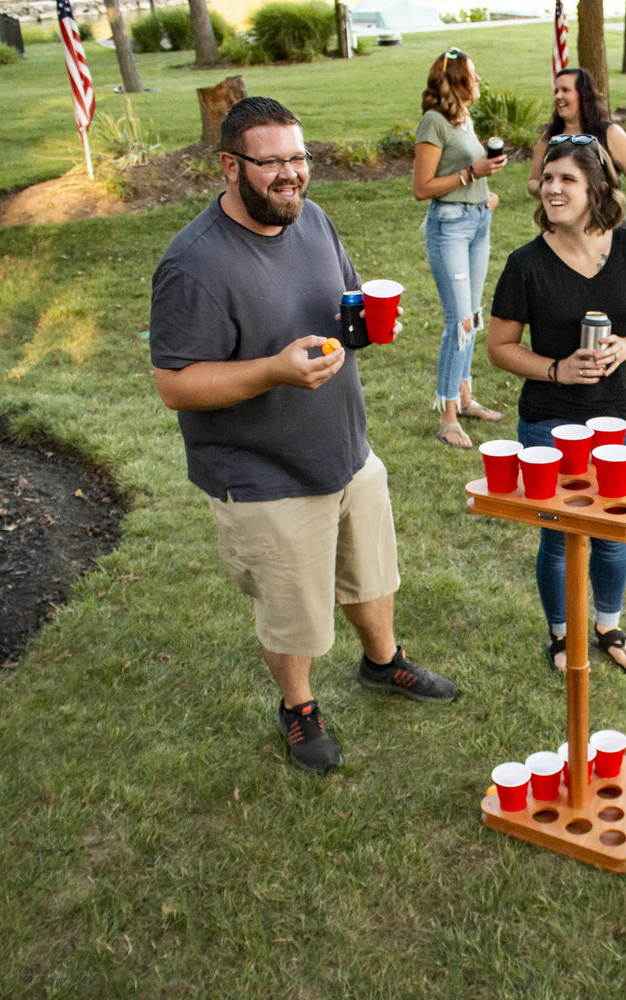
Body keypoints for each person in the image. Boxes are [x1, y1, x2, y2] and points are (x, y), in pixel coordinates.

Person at [149, 97, 458, 776]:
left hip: (345, 450)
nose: (291, 175)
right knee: (292, 611)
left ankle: (384, 663)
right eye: (271, 163)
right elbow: (175, 384)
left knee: (371, 573)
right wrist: (272, 371)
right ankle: (299, 706)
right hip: (264, 474)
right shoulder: (194, 265)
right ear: (230, 166)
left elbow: (341, 303)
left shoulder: (311, 219)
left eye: (299, 158)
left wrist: (366, 326)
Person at [489, 134, 626, 676]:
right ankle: (561, 634)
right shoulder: (525, 264)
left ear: (597, 188)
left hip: (621, 418)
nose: (552, 188)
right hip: (550, 422)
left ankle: (607, 627)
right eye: (548, 178)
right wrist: (558, 369)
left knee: (614, 531)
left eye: (566, 179)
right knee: (559, 536)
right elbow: (500, 348)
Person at [413, 47, 509, 449]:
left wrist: (485, 192)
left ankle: (465, 398)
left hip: (477, 222)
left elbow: (468, 173)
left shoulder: (462, 119)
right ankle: (448, 418)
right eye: (472, 73)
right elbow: (422, 188)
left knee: (472, 316)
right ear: (455, 80)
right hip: (449, 228)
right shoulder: (433, 123)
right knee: (459, 322)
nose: (479, 79)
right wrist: (472, 173)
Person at [526, 67, 626, 232]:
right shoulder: (549, 138)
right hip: (559, 235)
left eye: (565, 90)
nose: (558, 96)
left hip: (605, 232)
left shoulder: (610, 134)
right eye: (556, 91)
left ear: (583, 95)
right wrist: (553, 189)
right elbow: (532, 182)